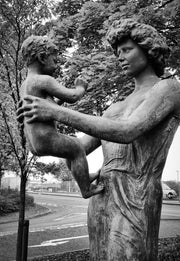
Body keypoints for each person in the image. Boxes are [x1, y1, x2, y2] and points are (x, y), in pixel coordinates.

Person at [17, 19, 180, 261]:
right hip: (102, 194)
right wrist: (36, 124)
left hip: (136, 194)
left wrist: (56, 112)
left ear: (147, 48)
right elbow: (79, 147)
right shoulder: (115, 106)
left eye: (126, 49)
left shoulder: (168, 89)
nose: (120, 57)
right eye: (117, 52)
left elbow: (128, 131)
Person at [20, 35, 104, 199]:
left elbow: (49, 107)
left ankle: (84, 177)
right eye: (55, 60)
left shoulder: (26, 85)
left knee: (69, 147)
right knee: (77, 149)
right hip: (46, 137)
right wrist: (80, 87)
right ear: (42, 58)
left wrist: (57, 102)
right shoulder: (43, 80)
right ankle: (86, 189)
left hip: (34, 142)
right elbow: (72, 96)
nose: (57, 65)